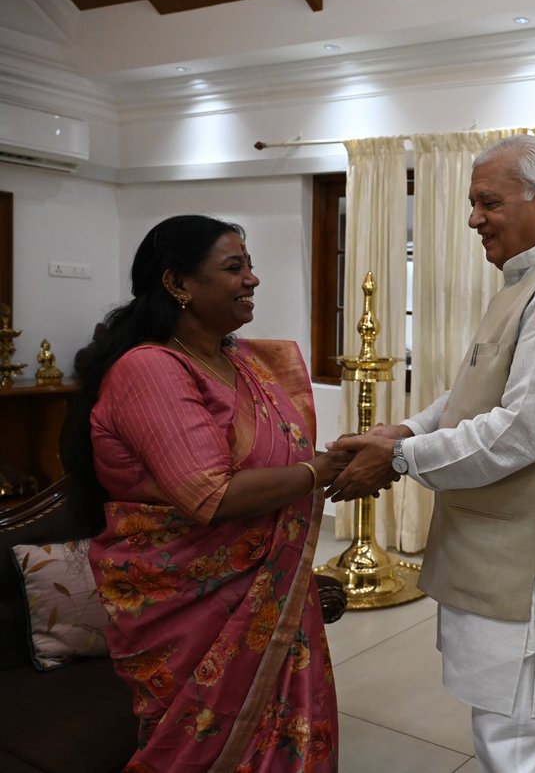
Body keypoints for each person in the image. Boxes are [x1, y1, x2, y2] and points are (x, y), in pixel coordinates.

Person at [325, 134, 535, 772]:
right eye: (471, 202)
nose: (472, 219)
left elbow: (518, 432)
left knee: (515, 744)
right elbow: (471, 397)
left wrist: (399, 461)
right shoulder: (524, 283)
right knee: (504, 735)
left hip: (526, 568)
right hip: (499, 557)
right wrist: (399, 433)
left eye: (488, 202)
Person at [62, 215, 347, 772]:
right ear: (178, 283)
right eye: (234, 267)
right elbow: (208, 496)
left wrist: (329, 462)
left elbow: (273, 459)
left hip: (266, 586)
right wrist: (323, 471)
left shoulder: (240, 361)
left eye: (251, 266)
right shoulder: (150, 369)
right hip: (192, 605)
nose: (253, 280)